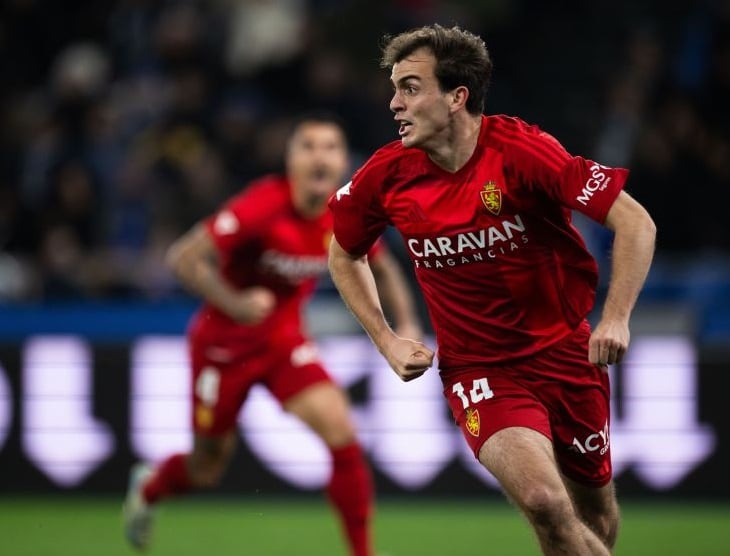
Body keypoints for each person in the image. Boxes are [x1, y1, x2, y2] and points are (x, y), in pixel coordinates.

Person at [328, 24, 656, 556]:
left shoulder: (523, 153)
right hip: (481, 369)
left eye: (410, 87)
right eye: (395, 88)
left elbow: (636, 222)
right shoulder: (387, 176)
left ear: (457, 97)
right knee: (544, 500)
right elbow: (343, 252)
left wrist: (616, 317)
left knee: (594, 515)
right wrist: (385, 339)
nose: (394, 103)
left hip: (567, 354)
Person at [122, 111, 423, 555]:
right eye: (309, 147)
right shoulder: (262, 206)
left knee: (342, 433)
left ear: (343, 160)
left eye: (330, 148)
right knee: (206, 467)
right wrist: (236, 304)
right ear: (291, 161)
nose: (320, 157)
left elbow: (383, 265)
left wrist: (408, 323)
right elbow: (183, 257)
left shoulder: (343, 213)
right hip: (222, 348)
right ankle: (149, 489)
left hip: (284, 343)